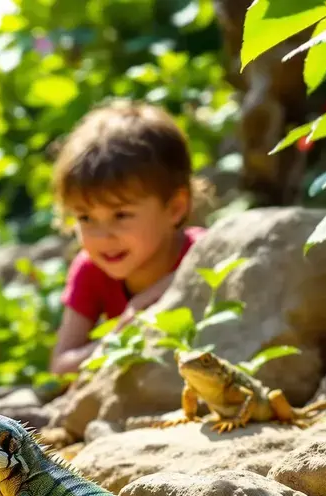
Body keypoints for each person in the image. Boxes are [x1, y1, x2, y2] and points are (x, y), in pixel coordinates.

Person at [48, 100, 210, 376]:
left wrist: (175, 286)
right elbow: (61, 368)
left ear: (175, 208)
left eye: (121, 215)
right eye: (85, 218)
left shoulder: (205, 254)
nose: (102, 237)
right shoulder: (90, 271)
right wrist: (125, 329)